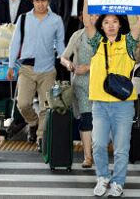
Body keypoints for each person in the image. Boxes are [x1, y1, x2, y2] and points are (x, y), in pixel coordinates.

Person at [82, 0, 140, 198]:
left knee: (121, 148)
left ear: (120, 24)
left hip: (123, 104)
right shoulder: (96, 42)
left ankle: (118, 182)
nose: (110, 26)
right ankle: (102, 177)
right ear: (102, 24)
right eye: (107, 22)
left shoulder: (128, 42)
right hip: (99, 103)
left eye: (115, 22)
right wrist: (86, 0)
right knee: (98, 144)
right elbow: (86, 22)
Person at [7, 0, 65, 151]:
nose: (40, 4)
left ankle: (41, 137)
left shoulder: (56, 20)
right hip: (26, 69)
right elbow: (15, 42)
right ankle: (32, 122)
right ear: (33, 1)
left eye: (44, 0)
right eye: (37, 0)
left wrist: (65, 60)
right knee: (23, 103)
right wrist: (11, 65)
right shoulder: (24, 18)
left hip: (48, 70)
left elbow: (60, 44)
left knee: (46, 106)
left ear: (48, 1)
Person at [60, 14, 98, 169]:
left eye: (96, 15)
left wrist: (88, 67)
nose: (93, 18)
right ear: (83, 17)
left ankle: (97, 152)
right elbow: (63, 57)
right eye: (89, 15)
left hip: (101, 83)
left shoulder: (105, 36)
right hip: (81, 83)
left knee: (100, 119)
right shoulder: (77, 35)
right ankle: (88, 156)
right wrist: (69, 64)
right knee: (86, 117)